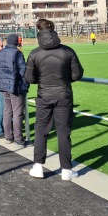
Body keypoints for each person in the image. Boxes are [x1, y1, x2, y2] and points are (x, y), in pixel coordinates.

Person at [26, 18, 84, 181]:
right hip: (63, 95)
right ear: (54, 30)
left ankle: (38, 166)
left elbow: (29, 78)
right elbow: (77, 74)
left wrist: (43, 80)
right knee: (63, 132)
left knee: (41, 130)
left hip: (44, 95)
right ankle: (66, 170)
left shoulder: (34, 53)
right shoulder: (68, 51)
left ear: (39, 31)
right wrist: (64, 79)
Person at [0, 33, 28, 146]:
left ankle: (8, 136)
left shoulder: (0, 53)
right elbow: (23, 71)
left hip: (4, 86)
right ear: (16, 42)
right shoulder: (17, 54)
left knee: (7, 111)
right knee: (17, 113)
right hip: (15, 87)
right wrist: (25, 84)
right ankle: (18, 138)